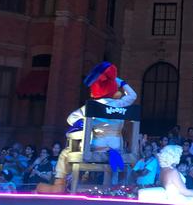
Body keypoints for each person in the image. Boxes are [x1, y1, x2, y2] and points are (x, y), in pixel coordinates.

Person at [39, 62, 137, 193]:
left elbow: (70, 119)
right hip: (117, 148)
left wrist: (85, 123)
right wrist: (119, 81)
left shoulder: (91, 106)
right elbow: (133, 95)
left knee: (65, 153)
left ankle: (59, 184)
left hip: (95, 148)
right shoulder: (120, 104)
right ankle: (110, 188)